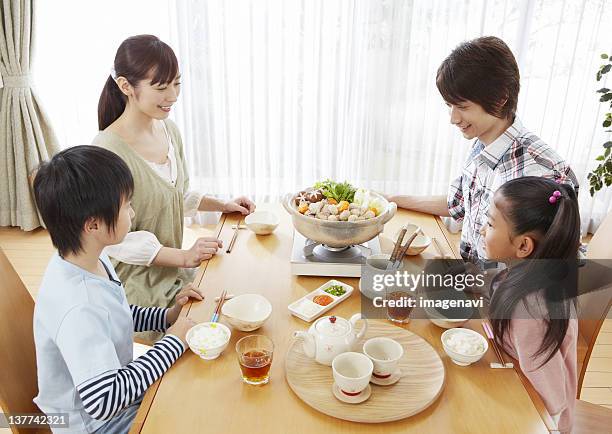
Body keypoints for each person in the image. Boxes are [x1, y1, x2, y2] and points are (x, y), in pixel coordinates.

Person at [32, 146, 201, 433]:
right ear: (94, 224)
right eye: (126, 205)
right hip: (98, 424)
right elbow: (104, 401)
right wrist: (171, 343)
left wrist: (167, 317)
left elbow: (115, 313)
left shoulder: (86, 257)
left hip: (114, 400)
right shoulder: (78, 306)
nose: (132, 213)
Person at [93, 34, 255, 310]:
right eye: (161, 87)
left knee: (238, 285)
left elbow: (173, 195)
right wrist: (183, 256)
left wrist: (221, 204)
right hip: (134, 282)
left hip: (175, 269)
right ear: (125, 86)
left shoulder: (169, 130)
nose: (173, 96)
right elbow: (111, 241)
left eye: (177, 83)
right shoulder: (106, 151)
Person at [386, 36, 578, 267]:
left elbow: (539, 278)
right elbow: (457, 204)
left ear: (499, 99)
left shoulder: (541, 173)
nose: (453, 118)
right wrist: (390, 200)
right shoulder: (482, 142)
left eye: (463, 107)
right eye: (449, 106)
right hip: (470, 280)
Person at [482, 176, 580, 433]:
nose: (482, 229)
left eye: (490, 224)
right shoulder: (524, 275)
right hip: (511, 375)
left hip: (535, 414)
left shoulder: (530, 311)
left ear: (524, 246)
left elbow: (551, 399)